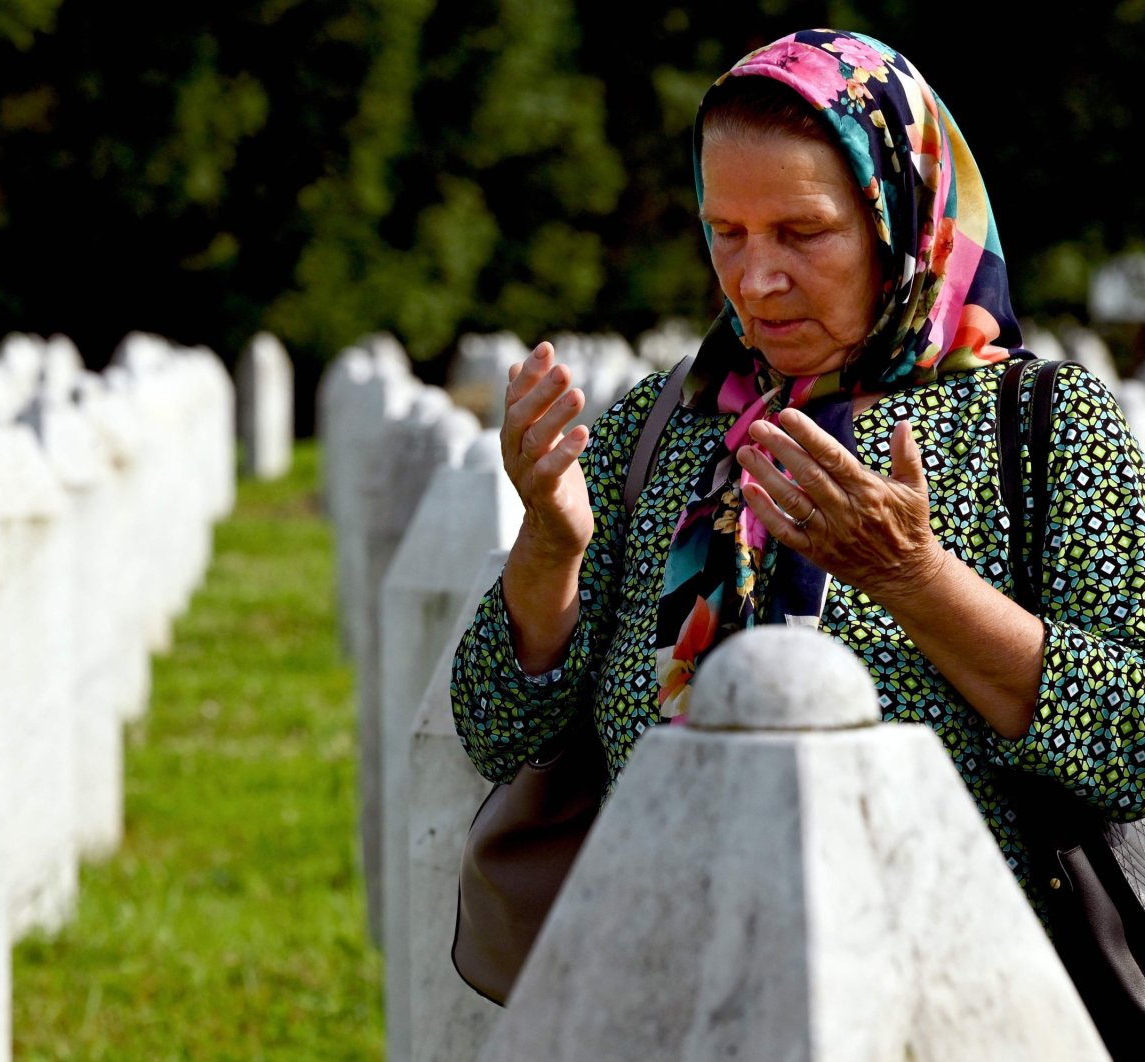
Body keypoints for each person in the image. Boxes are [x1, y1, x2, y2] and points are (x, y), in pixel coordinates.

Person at [450, 24, 1145, 1029]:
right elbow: (493, 729)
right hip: (665, 1008)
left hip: (950, 1015)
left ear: (900, 217)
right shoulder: (664, 426)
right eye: (724, 231)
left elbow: (1130, 746)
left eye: (802, 232)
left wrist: (915, 580)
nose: (754, 280)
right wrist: (550, 546)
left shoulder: (1041, 428)